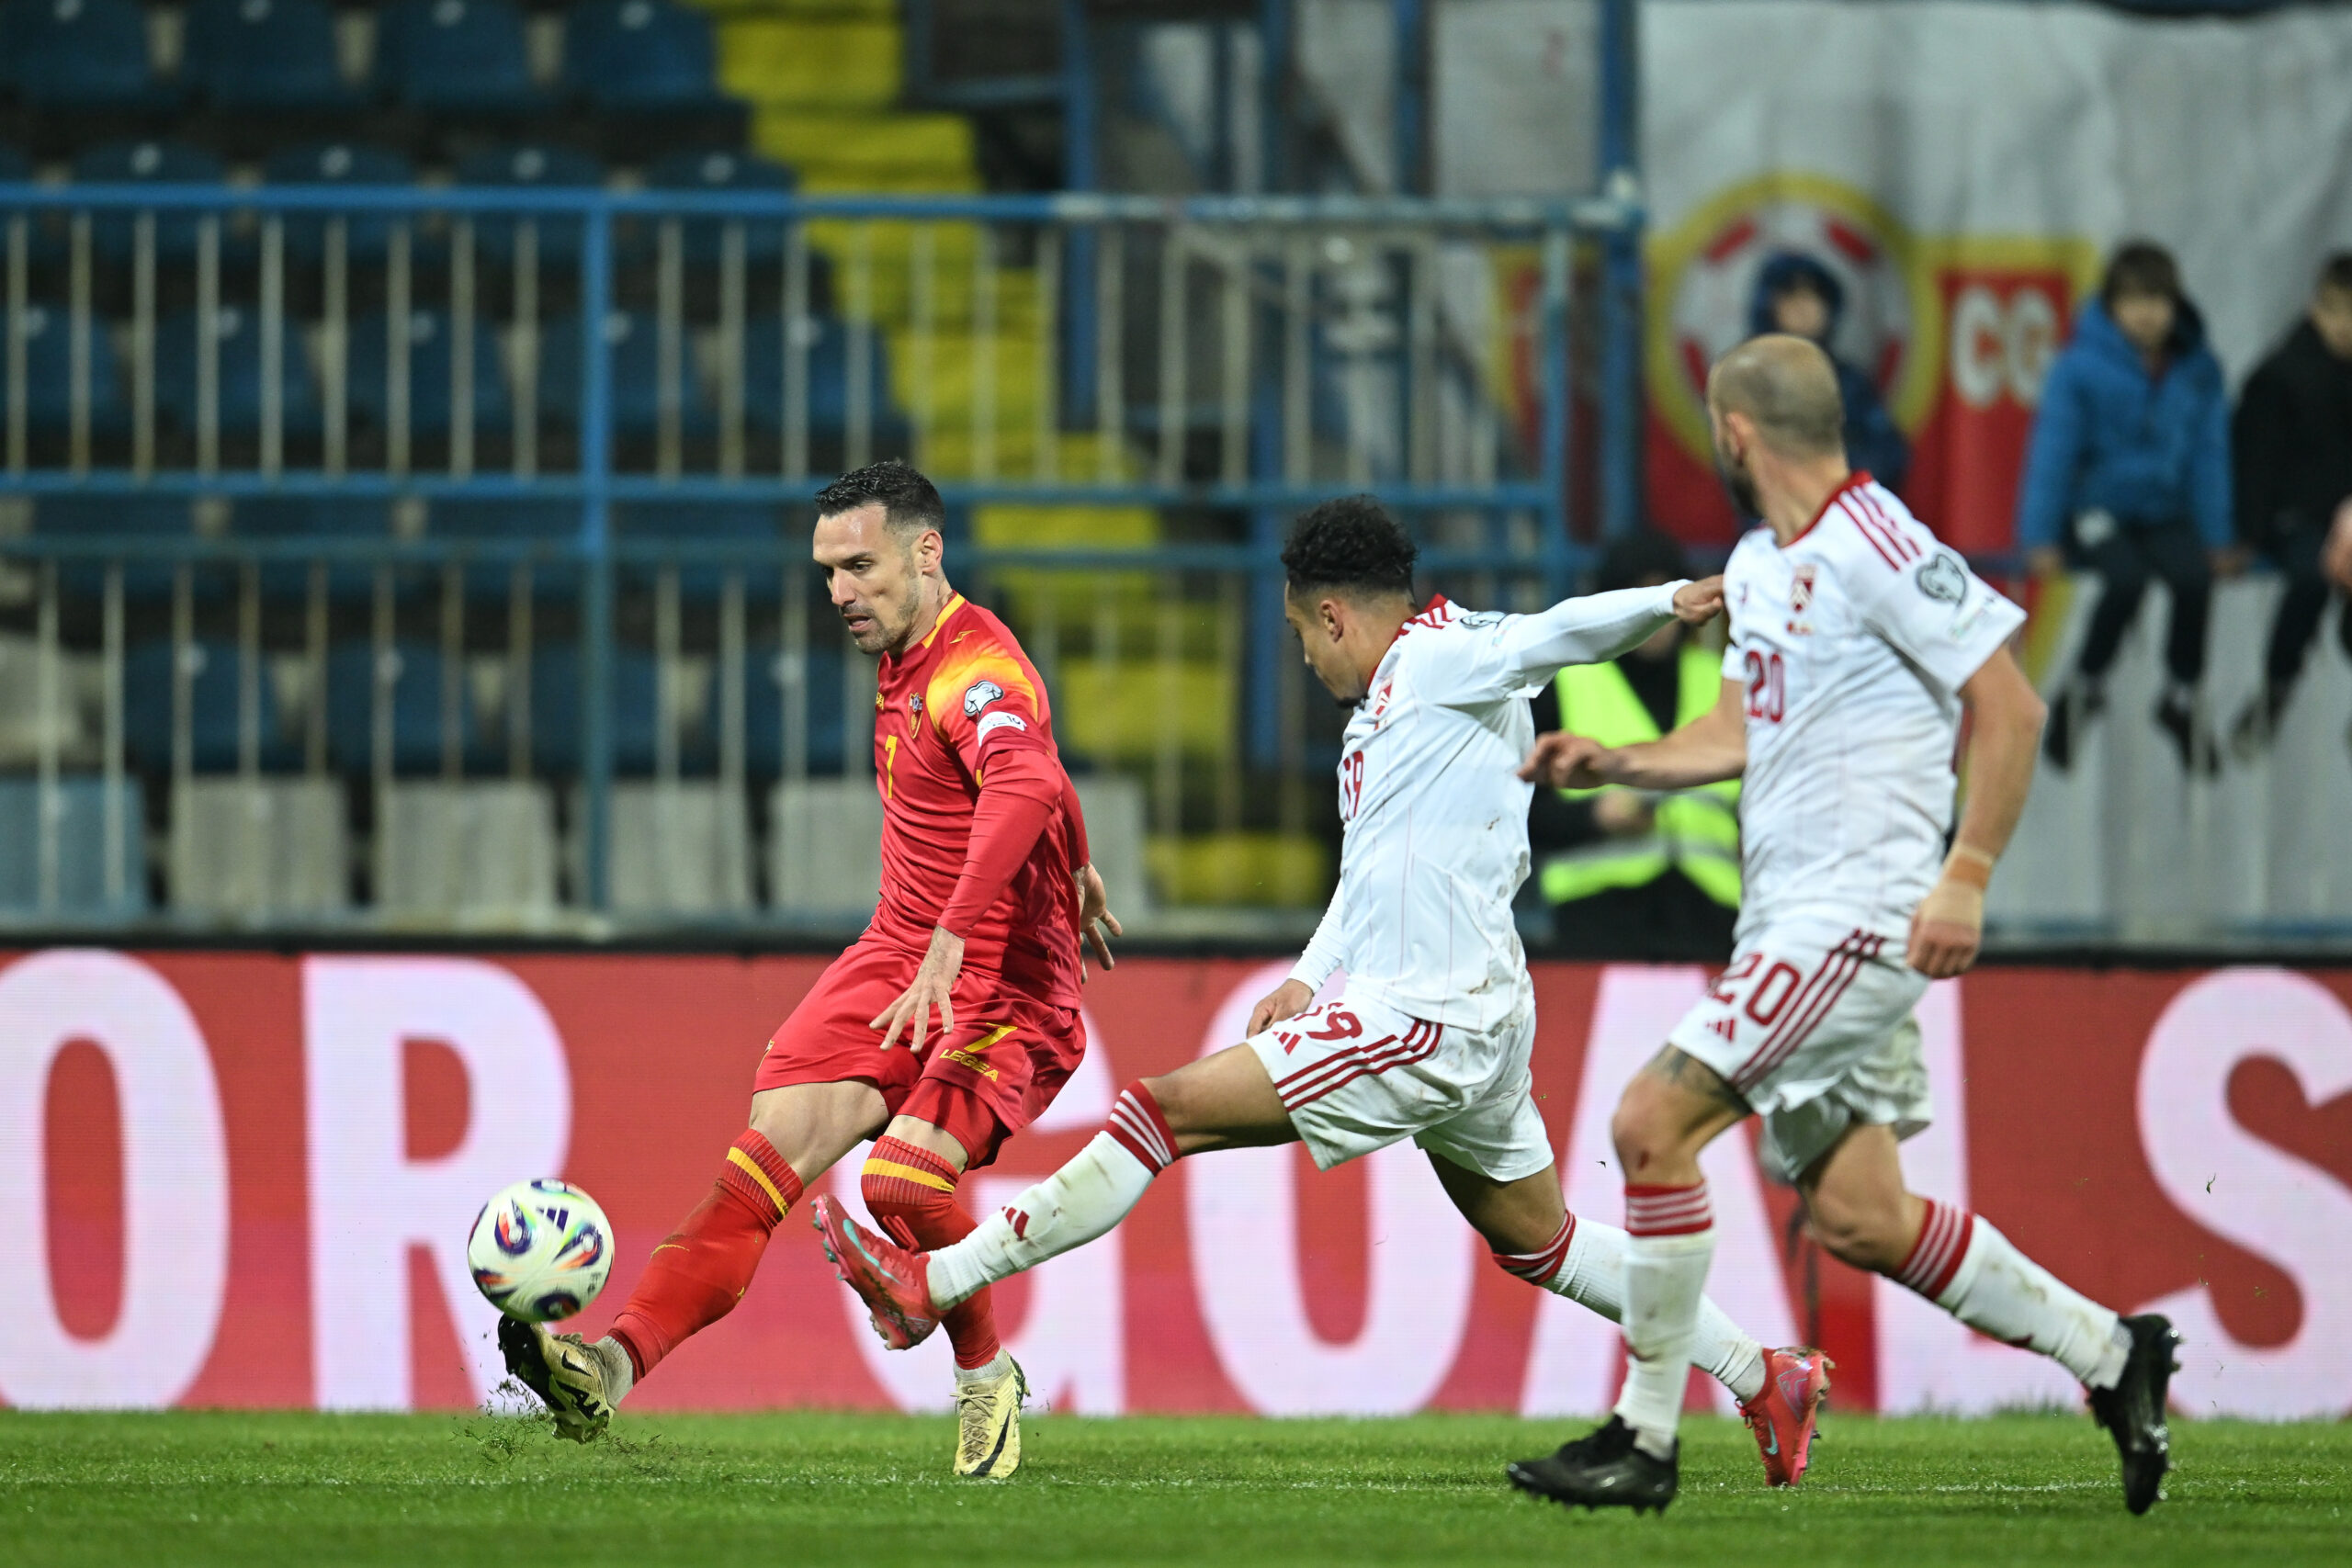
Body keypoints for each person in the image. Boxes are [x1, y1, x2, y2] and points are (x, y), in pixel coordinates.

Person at [812, 495, 1837, 1488]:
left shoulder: (1447, 656)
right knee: (1544, 1243)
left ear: (1335, 615)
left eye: (1304, 635)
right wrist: (1309, 973)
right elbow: (1370, 872)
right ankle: (1765, 1376)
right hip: (1470, 1011)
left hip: (1424, 1017)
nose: (1306, 659)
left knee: (1159, 1112)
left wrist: (1668, 602)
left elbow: (1558, 631)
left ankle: (934, 1281)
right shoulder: (1381, 714)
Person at [1510, 336, 2177, 1517]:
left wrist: (1966, 874)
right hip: (1786, 920)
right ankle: (2115, 1356)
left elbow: (2009, 708)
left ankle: (1644, 1440)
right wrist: (1614, 760)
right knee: (1861, 1216)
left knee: (1649, 1122)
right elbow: (1733, 734)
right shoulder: (1759, 563)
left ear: (1734, 433)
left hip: (1853, 921)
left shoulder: (1880, 543)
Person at [499, 459, 1120, 1480]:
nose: (839, 591)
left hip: (1005, 984)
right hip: (899, 956)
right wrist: (1080, 860)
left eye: (860, 566)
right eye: (828, 570)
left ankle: (985, 1376)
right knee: (763, 1157)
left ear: (927, 553)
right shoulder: (913, 650)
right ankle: (610, 1364)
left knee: (901, 1184)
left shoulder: (974, 671)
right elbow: (1041, 770)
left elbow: (1021, 781)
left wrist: (962, 928)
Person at [2018, 241, 2233, 773]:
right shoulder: (2077, 368)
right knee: (2126, 580)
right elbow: (2052, 453)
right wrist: (2040, 536)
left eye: (2157, 300)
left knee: (2195, 579)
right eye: (2134, 300)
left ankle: (2181, 695)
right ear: (2111, 305)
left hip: (2165, 509)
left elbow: (2210, 457)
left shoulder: (2198, 369)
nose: (2146, 313)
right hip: (2098, 509)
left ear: (2175, 304)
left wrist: (2218, 537)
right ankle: (2084, 687)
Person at [1530, 528, 1739, 960]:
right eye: (1640, 599)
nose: (1655, 621)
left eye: (1666, 599)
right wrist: (1593, 817)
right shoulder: (1565, 684)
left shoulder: (1722, 680)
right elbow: (1516, 813)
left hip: (1711, 921)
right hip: (1598, 924)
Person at [2229, 253, 2352, 758]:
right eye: (2337, 311)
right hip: (2295, 520)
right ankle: (2277, 687)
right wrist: (2247, 532)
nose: (2346, 326)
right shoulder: (2279, 375)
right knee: (2312, 573)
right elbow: (2254, 461)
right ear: (2315, 308)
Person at [1751, 251, 1910, 493]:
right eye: (1791, 297)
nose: (1803, 308)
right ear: (1769, 307)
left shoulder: (1851, 384)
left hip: (1845, 506)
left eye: (1814, 297)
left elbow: (1888, 455)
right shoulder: (1750, 382)